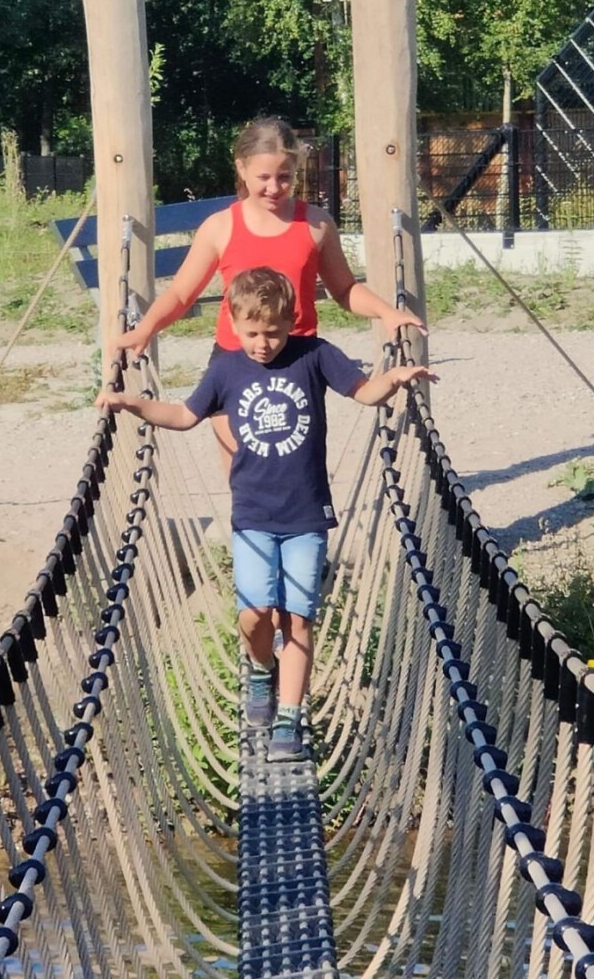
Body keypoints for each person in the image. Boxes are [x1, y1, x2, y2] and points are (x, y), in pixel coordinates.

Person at [98, 267, 436, 763]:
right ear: (233, 325)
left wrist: (395, 379)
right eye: (252, 333)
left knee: (298, 619)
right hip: (253, 515)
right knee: (255, 614)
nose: (263, 343)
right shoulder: (226, 371)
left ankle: (289, 717)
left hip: (306, 515)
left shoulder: (314, 356)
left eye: (273, 332)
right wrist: (134, 404)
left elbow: (363, 391)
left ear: (292, 322)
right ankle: (260, 670)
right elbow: (185, 416)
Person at [113, 116, 427, 470]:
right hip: (235, 360)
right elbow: (182, 293)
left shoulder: (317, 224)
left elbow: (344, 289)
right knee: (244, 473)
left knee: (294, 468)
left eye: (284, 177)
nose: (275, 187)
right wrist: (146, 327)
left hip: (298, 361)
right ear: (242, 169)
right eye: (263, 177)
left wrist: (387, 311)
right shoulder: (220, 227)